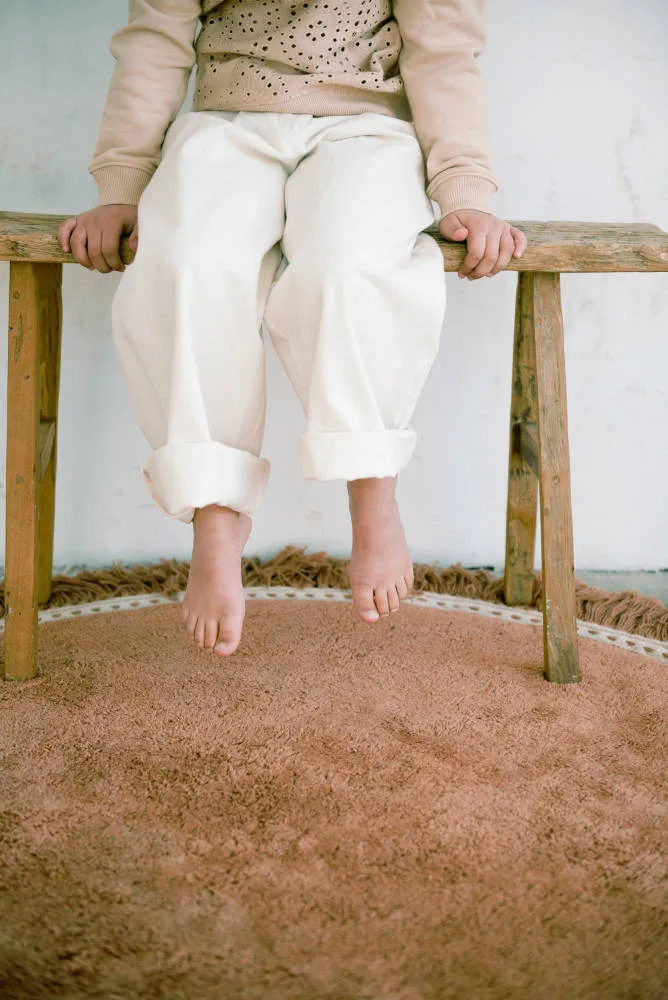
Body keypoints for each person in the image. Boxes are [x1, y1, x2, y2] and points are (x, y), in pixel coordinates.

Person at [57, 1, 527, 658]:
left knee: (351, 264)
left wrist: (465, 190)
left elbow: (442, 47)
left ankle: (372, 486)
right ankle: (215, 513)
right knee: (188, 263)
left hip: (368, 125)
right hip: (225, 122)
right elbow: (154, 42)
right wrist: (121, 185)